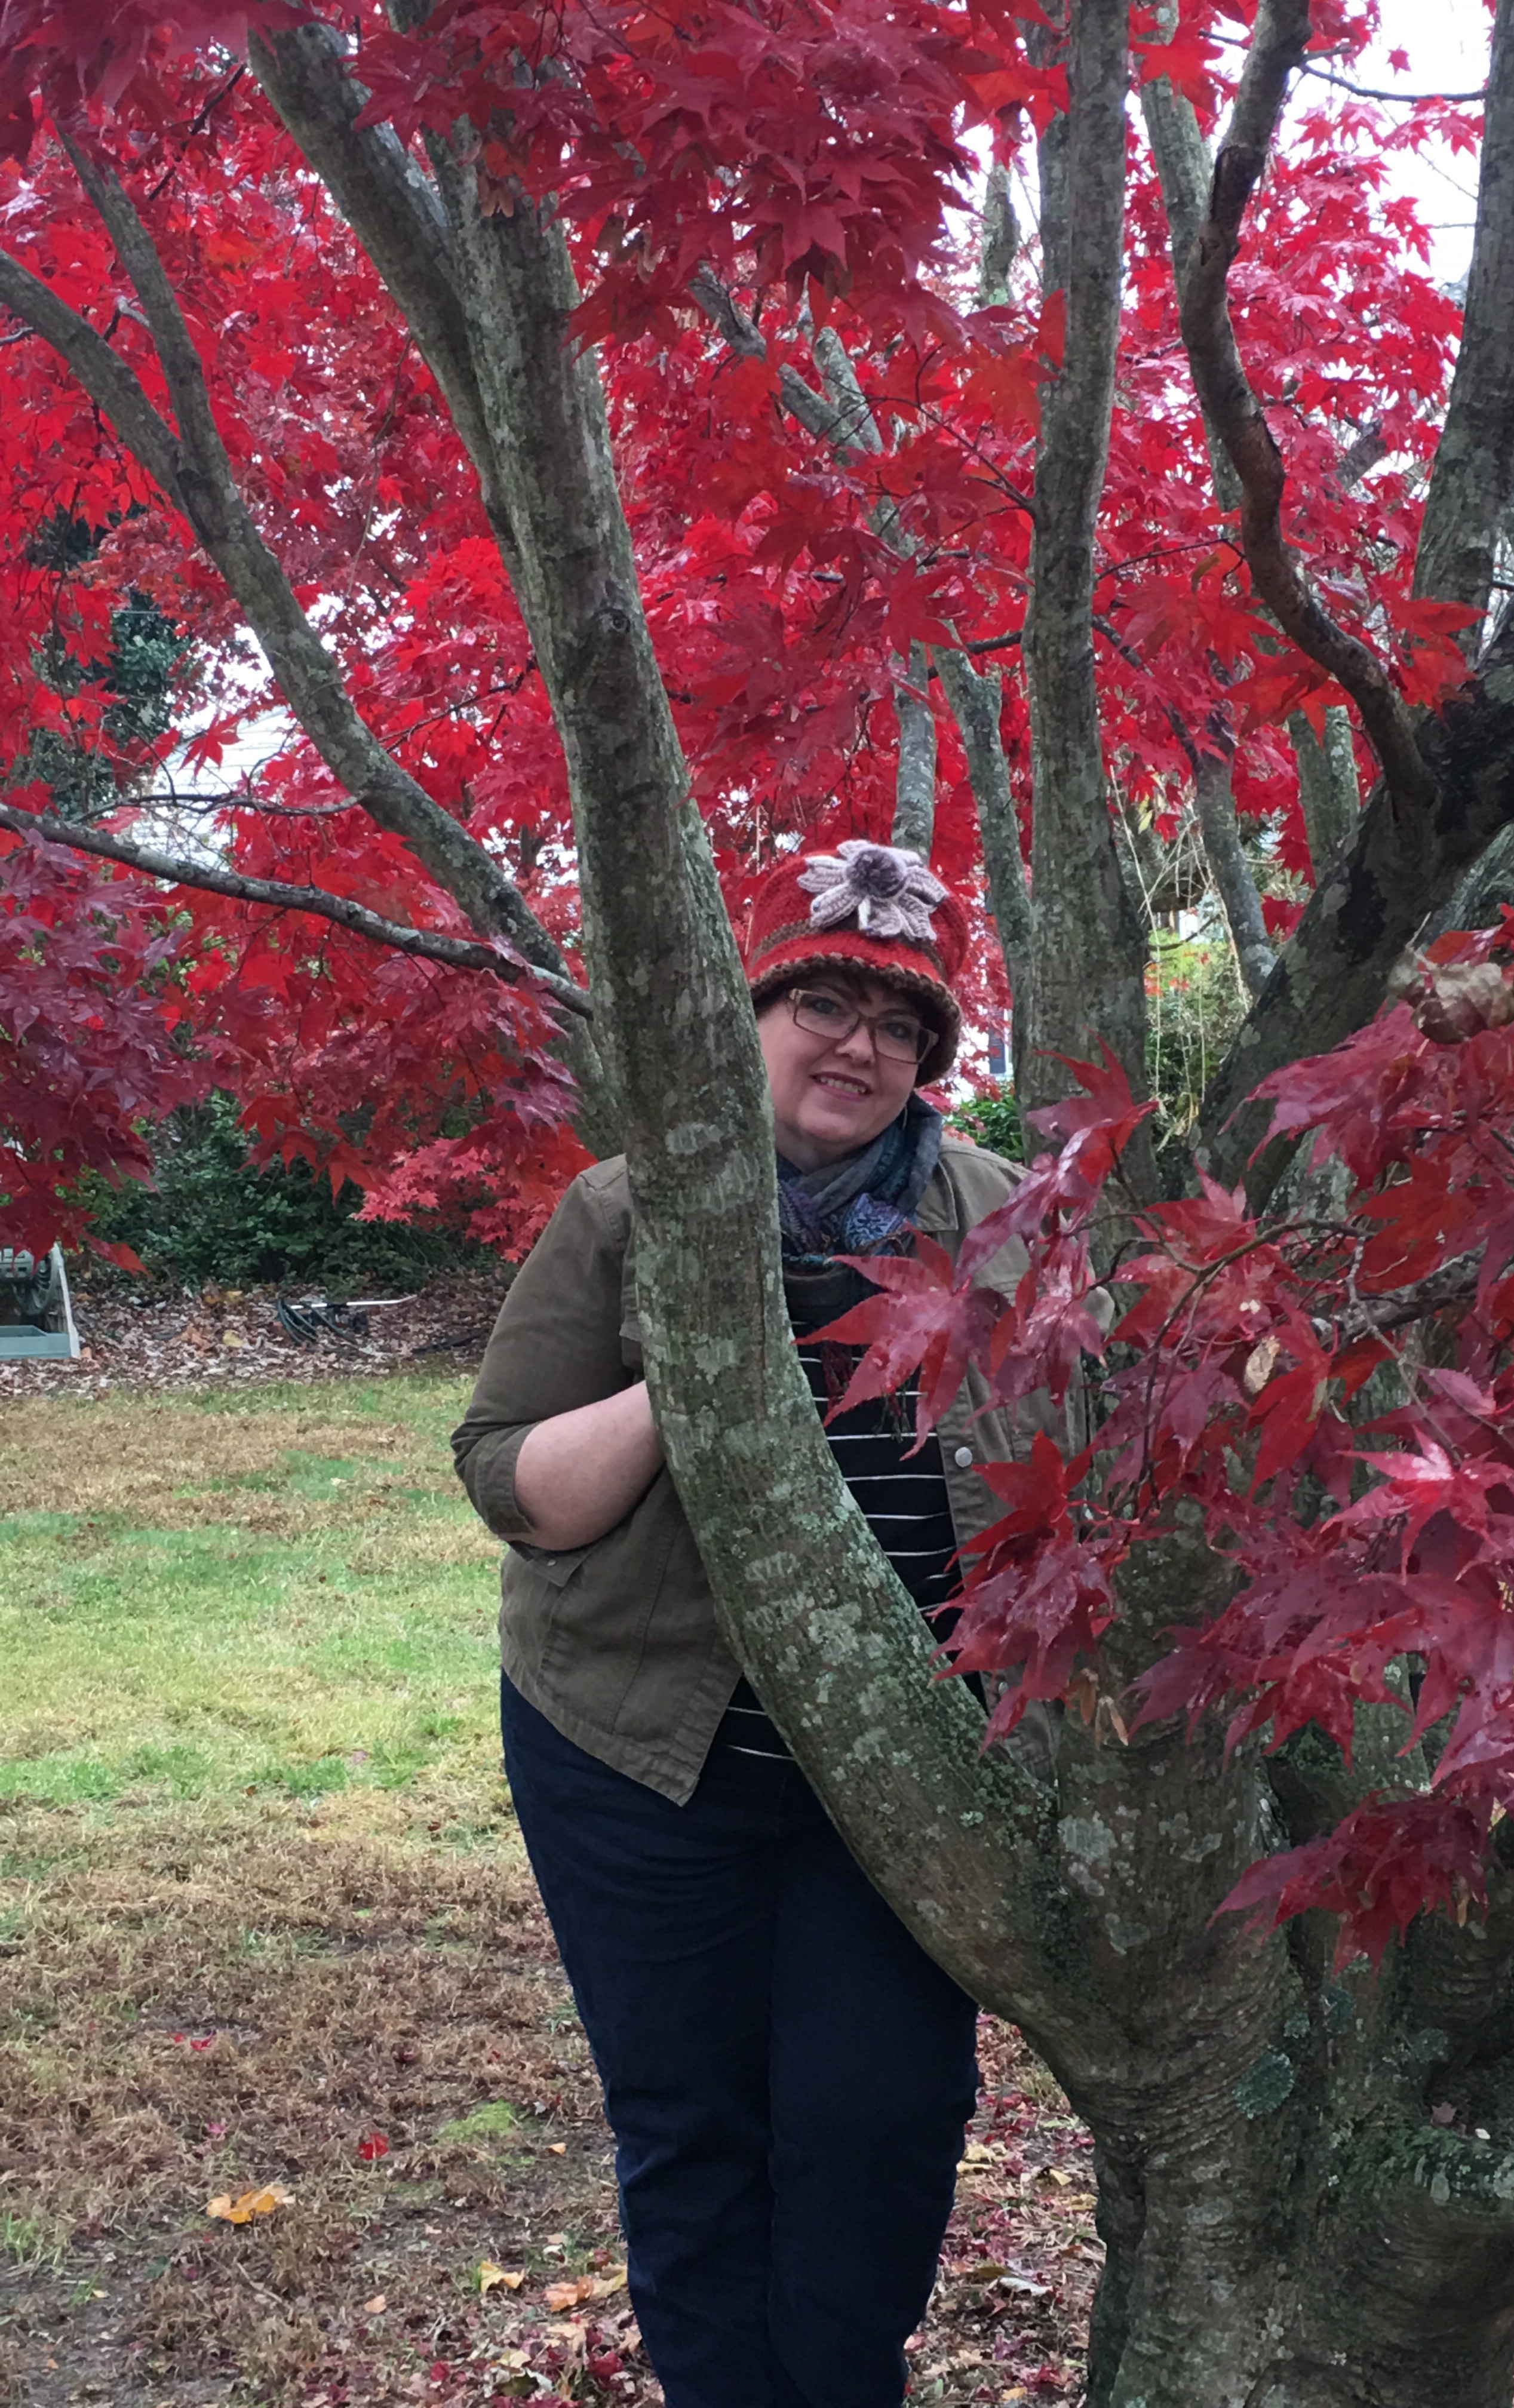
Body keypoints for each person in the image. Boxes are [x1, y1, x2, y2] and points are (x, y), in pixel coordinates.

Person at [451, 840, 1064, 2408]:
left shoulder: (1004, 1223)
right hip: (641, 1756)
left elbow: (1088, 1470)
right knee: (692, 2121)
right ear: (753, 1016)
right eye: (826, 1006)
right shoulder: (626, 1208)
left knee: (885, 2118)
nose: (861, 1046)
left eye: (901, 1026)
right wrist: (700, 1370)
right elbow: (514, 1484)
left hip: (913, 1775)